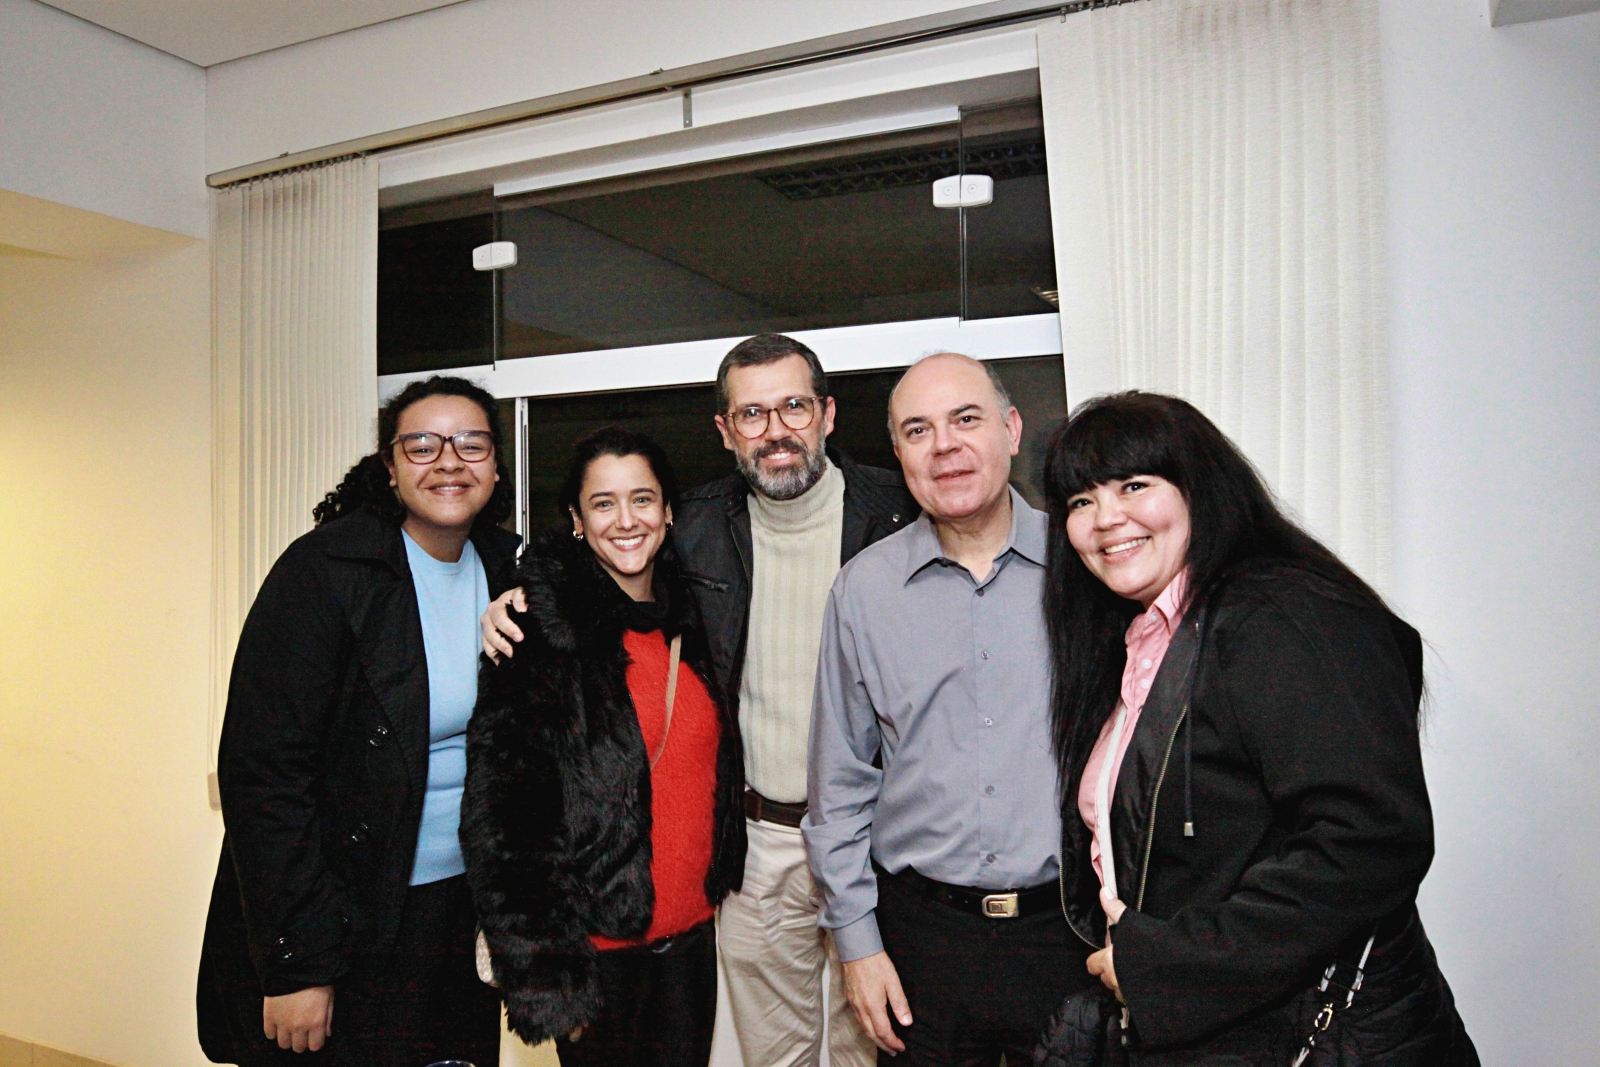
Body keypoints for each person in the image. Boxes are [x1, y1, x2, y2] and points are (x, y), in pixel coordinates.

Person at [481, 334, 914, 1067]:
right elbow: (600, 551)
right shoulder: (704, 524)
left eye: (794, 406)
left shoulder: (899, 509)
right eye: (751, 413)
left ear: (828, 413)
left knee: (879, 1046)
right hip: (756, 845)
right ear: (724, 429)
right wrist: (522, 595)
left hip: (878, 841)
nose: (775, 430)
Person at [1036, 390, 1477, 1065]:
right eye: (1080, 501)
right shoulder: (1143, 637)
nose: (1106, 518)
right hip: (1222, 1030)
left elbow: (1371, 839)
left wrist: (1167, 965)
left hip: (1323, 1034)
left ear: (1199, 487)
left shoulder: (1282, 614)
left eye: (1134, 485)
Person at [196, 376, 518, 1067]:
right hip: (350, 914)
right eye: (422, 445)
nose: (449, 461)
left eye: (471, 443)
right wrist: (298, 963)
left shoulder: (508, 568)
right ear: (390, 467)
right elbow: (264, 776)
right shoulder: (324, 572)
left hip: (461, 911)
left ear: (496, 464)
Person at [805, 352, 1094, 1066]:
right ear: (898, 452)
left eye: (965, 419)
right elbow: (839, 787)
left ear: (1011, 429)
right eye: (918, 430)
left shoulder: (1089, 567)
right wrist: (858, 945)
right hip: (920, 943)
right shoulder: (863, 591)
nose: (944, 446)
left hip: (1070, 933)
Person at [462, 426, 746, 1067]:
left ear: (668, 513)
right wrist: (549, 979)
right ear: (576, 520)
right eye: (603, 503)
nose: (626, 520)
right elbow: (504, 818)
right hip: (597, 962)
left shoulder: (697, 620)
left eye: (642, 499)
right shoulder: (538, 634)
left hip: (691, 945)